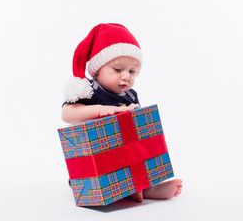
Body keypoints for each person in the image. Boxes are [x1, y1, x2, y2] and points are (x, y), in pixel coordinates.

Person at [62, 23, 182, 202]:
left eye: (132, 71)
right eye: (118, 70)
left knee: (138, 155)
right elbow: (67, 114)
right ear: (97, 70)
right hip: (95, 160)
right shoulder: (89, 91)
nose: (126, 76)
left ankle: (143, 186)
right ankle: (133, 189)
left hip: (123, 156)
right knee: (96, 175)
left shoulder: (130, 96)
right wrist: (103, 110)